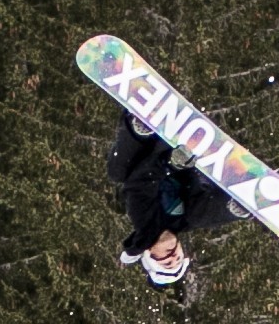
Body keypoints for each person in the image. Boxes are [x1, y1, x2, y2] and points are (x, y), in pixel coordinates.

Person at [105, 111, 246, 286]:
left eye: (165, 261)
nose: (172, 256)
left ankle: (141, 127)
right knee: (196, 217)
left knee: (117, 172)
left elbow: (142, 182)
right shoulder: (185, 220)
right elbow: (204, 205)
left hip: (159, 143)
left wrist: (169, 163)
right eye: (178, 259)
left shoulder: (143, 221)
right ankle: (238, 204)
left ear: (150, 252)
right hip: (193, 157)